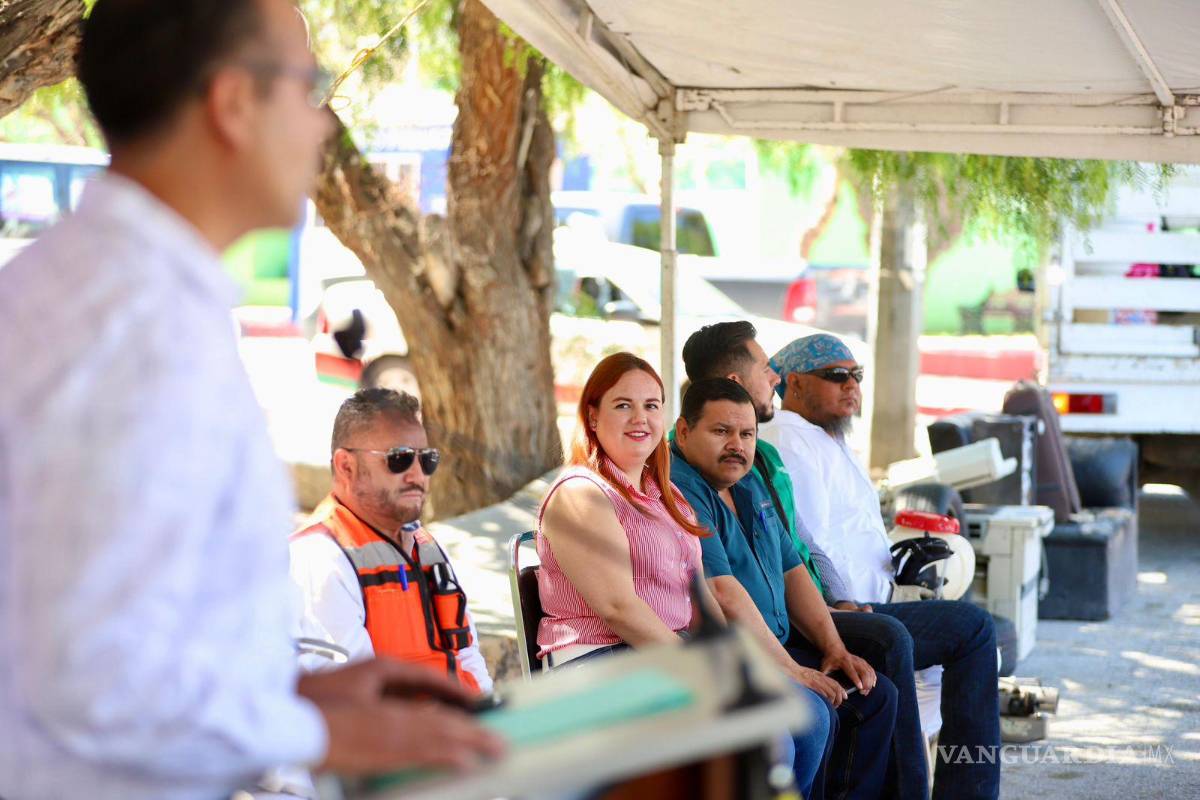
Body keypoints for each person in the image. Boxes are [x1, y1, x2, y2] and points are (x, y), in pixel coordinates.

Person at [0, 2, 501, 797]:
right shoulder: (135, 327)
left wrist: (287, 698)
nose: (324, 127)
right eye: (309, 87)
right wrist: (308, 729)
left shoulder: (103, 293)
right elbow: (93, 685)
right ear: (233, 103)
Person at [536, 352, 832, 796]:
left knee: (806, 715)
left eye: (652, 405)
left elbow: (700, 595)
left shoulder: (665, 493)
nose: (641, 418)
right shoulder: (582, 494)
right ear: (592, 417)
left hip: (663, 656)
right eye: (623, 405)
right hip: (602, 663)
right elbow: (618, 608)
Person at [762, 332, 1001, 800]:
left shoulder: (823, 437)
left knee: (969, 634)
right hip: (849, 610)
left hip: (876, 598)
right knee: (972, 630)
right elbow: (808, 546)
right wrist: (843, 603)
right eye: (836, 376)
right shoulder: (790, 439)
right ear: (793, 383)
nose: (851, 385)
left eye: (857, 376)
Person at [671, 378, 898, 799]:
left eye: (747, 434)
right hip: (729, 653)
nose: (737, 445)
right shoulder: (681, 486)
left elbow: (794, 568)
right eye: (721, 432)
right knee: (810, 714)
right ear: (684, 431)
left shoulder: (747, 478)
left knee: (875, 696)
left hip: (775, 643)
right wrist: (792, 672)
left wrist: (833, 648)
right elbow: (723, 593)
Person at [290, 388, 492, 692]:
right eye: (399, 459)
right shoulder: (320, 557)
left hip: (458, 727)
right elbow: (356, 699)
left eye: (427, 460)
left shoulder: (424, 545)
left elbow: (467, 655)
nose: (417, 474)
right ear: (346, 466)